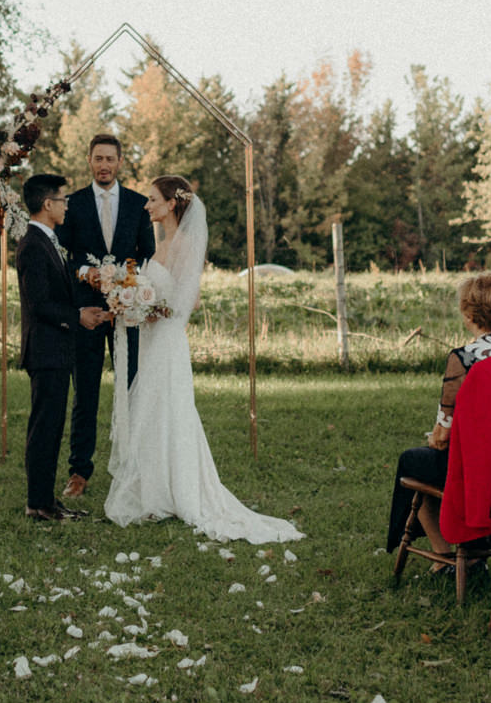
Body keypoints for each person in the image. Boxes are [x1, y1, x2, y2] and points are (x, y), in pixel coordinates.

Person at [105, 176, 301, 543]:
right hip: (151, 339)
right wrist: (133, 304)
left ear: (171, 204)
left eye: (152, 200)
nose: (146, 206)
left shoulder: (187, 242)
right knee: (152, 410)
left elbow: (188, 301)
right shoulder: (160, 242)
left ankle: (181, 492)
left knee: (168, 411)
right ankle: (156, 491)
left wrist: (147, 307)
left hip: (166, 340)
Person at [383, 275, 491, 563]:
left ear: (468, 314)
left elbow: (443, 434)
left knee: (413, 462)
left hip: (481, 470)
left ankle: (444, 556)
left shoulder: (466, 357)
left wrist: (436, 438)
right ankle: (475, 550)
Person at [58, 134, 157, 499]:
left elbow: (148, 252)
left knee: (131, 389)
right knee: (84, 392)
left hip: (126, 312)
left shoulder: (136, 203)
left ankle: (135, 467)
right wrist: (88, 274)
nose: (103, 165)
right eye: (98, 158)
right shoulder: (72, 204)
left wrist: (129, 286)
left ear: (119, 162)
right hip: (88, 312)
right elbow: (65, 256)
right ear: (89, 161)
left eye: (109, 159)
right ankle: (79, 472)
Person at [16, 173, 109, 522]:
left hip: (56, 349)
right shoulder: (32, 245)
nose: (67, 205)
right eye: (62, 199)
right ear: (47, 204)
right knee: (43, 429)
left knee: (53, 429)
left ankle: (47, 502)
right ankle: (36, 504)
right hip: (45, 351)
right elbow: (39, 304)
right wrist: (78, 316)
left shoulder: (48, 241)